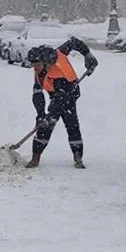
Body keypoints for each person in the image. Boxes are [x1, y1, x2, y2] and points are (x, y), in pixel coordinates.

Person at [24, 37, 98, 169]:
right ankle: (35, 157)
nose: (35, 68)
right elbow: (37, 94)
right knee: (44, 125)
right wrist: (40, 114)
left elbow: (74, 42)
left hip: (70, 92)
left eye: (37, 65)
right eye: (33, 66)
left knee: (71, 125)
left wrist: (88, 55)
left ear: (45, 62)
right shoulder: (40, 72)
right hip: (56, 95)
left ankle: (78, 157)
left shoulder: (59, 55)